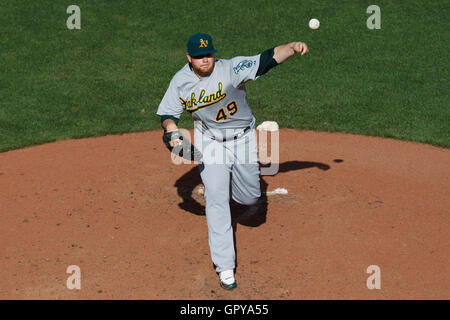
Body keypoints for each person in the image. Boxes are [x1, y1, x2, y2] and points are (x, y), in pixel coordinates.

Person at [156, 33, 308, 290]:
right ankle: (225, 267)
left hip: (243, 139)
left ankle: (235, 191)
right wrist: (171, 132)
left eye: (209, 54)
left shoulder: (231, 69)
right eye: (200, 56)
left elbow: (267, 59)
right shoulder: (180, 81)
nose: (206, 60)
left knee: (248, 198)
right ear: (189, 57)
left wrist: (292, 47)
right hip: (210, 142)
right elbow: (168, 113)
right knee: (216, 200)